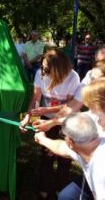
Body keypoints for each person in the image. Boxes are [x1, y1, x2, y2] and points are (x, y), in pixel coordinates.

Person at [34, 113, 105, 200]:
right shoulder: (92, 146)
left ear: (70, 142)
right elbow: (61, 147)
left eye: (64, 136)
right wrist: (43, 139)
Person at [20, 49, 80, 199]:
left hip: (66, 120)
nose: (42, 71)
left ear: (59, 69)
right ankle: (44, 189)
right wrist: (28, 116)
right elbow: (35, 99)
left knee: (65, 157)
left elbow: (70, 105)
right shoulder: (41, 74)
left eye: (46, 69)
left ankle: (61, 189)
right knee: (46, 155)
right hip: (46, 119)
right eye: (42, 67)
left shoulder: (73, 77)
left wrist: (47, 109)